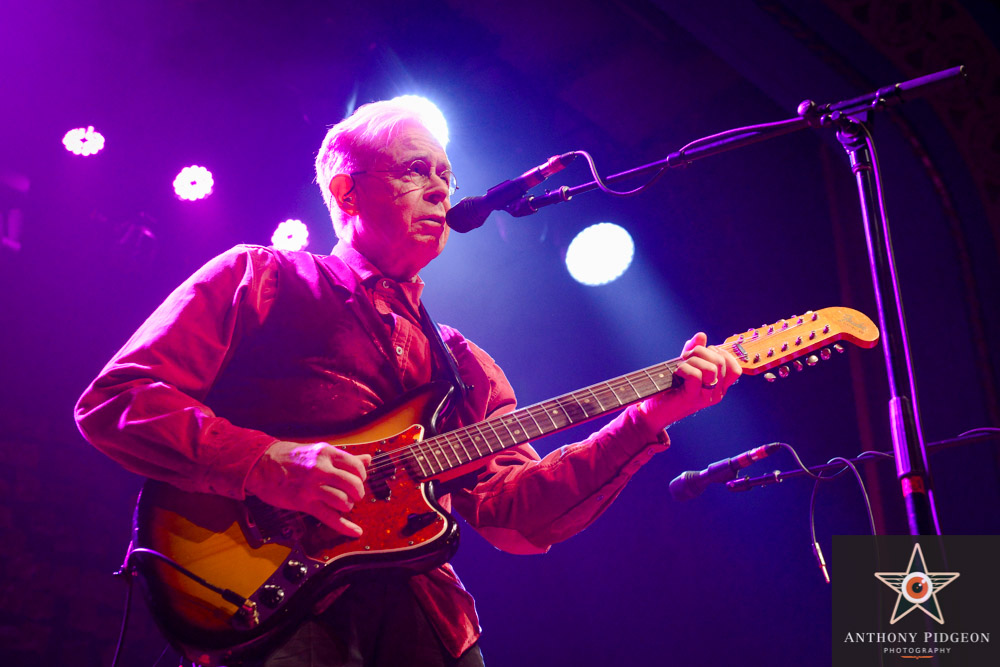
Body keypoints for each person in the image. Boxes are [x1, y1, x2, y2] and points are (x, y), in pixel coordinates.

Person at [74, 98, 741, 666]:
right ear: (345, 191)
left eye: (446, 177)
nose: (441, 190)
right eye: (416, 170)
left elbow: (515, 516)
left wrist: (647, 418)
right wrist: (267, 463)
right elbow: (117, 400)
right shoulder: (262, 277)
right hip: (267, 605)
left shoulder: (464, 364)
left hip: (428, 625)